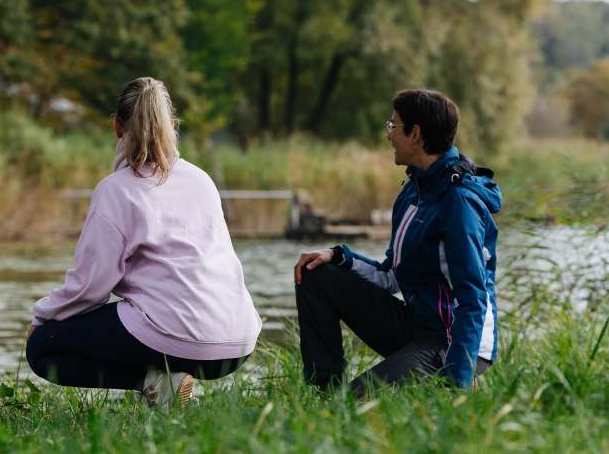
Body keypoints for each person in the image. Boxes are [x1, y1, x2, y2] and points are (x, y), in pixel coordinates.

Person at [26, 77, 261, 407]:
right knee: (149, 319)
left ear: (117, 127)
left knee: (43, 347)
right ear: (171, 127)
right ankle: (169, 381)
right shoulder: (201, 180)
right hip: (237, 343)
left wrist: (41, 317)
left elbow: (89, 288)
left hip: (179, 336)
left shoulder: (116, 190)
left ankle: (154, 384)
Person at [294, 89, 501, 395]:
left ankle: (451, 381)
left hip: (452, 340)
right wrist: (338, 256)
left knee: (355, 402)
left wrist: (458, 380)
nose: (388, 135)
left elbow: (472, 297)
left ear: (415, 134)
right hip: (418, 325)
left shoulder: (458, 203)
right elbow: (391, 275)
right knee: (316, 271)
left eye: (393, 126)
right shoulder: (413, 190)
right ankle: (322, 392)